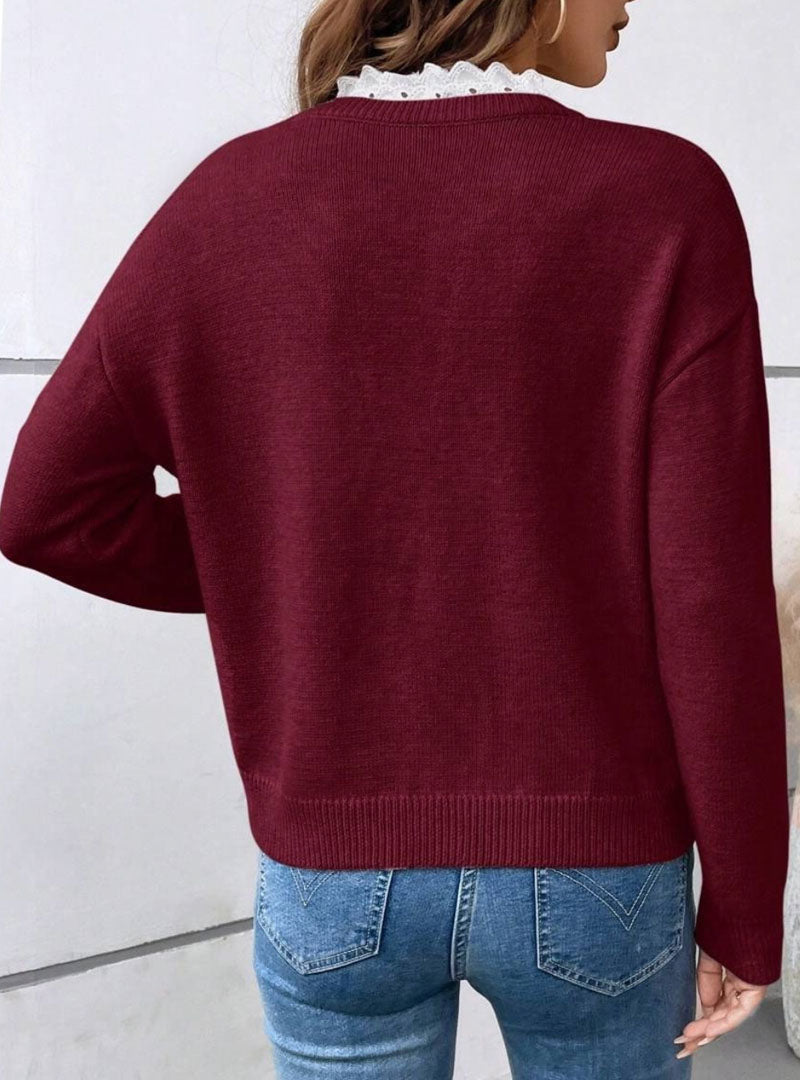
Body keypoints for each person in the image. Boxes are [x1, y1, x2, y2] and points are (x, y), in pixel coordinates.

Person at [0, 0, 790, 1075]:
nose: (628, 7)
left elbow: (47, 507)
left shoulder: (228, 199)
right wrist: (744, 905)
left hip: (332, 873)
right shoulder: (662, 196)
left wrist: (287, 555)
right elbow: (707, 593)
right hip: (597, 870)